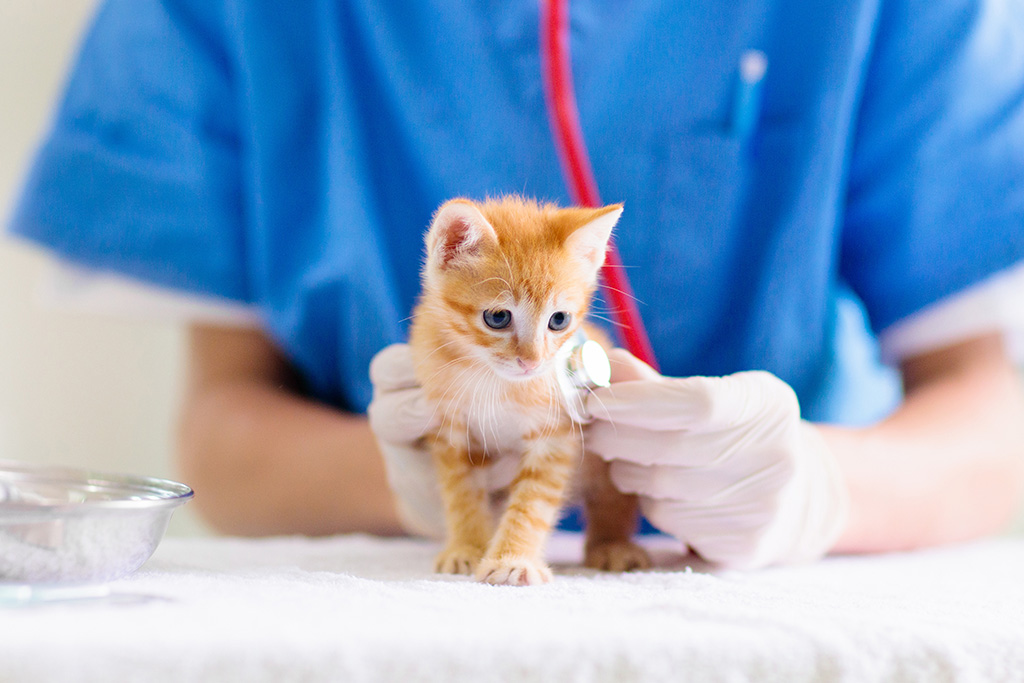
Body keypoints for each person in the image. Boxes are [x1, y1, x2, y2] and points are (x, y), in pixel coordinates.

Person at [8, 0, 1024, 567]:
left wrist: (821, 487)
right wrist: (413, 471)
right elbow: (222, 431)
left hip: (810, 593)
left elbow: (992, 417)